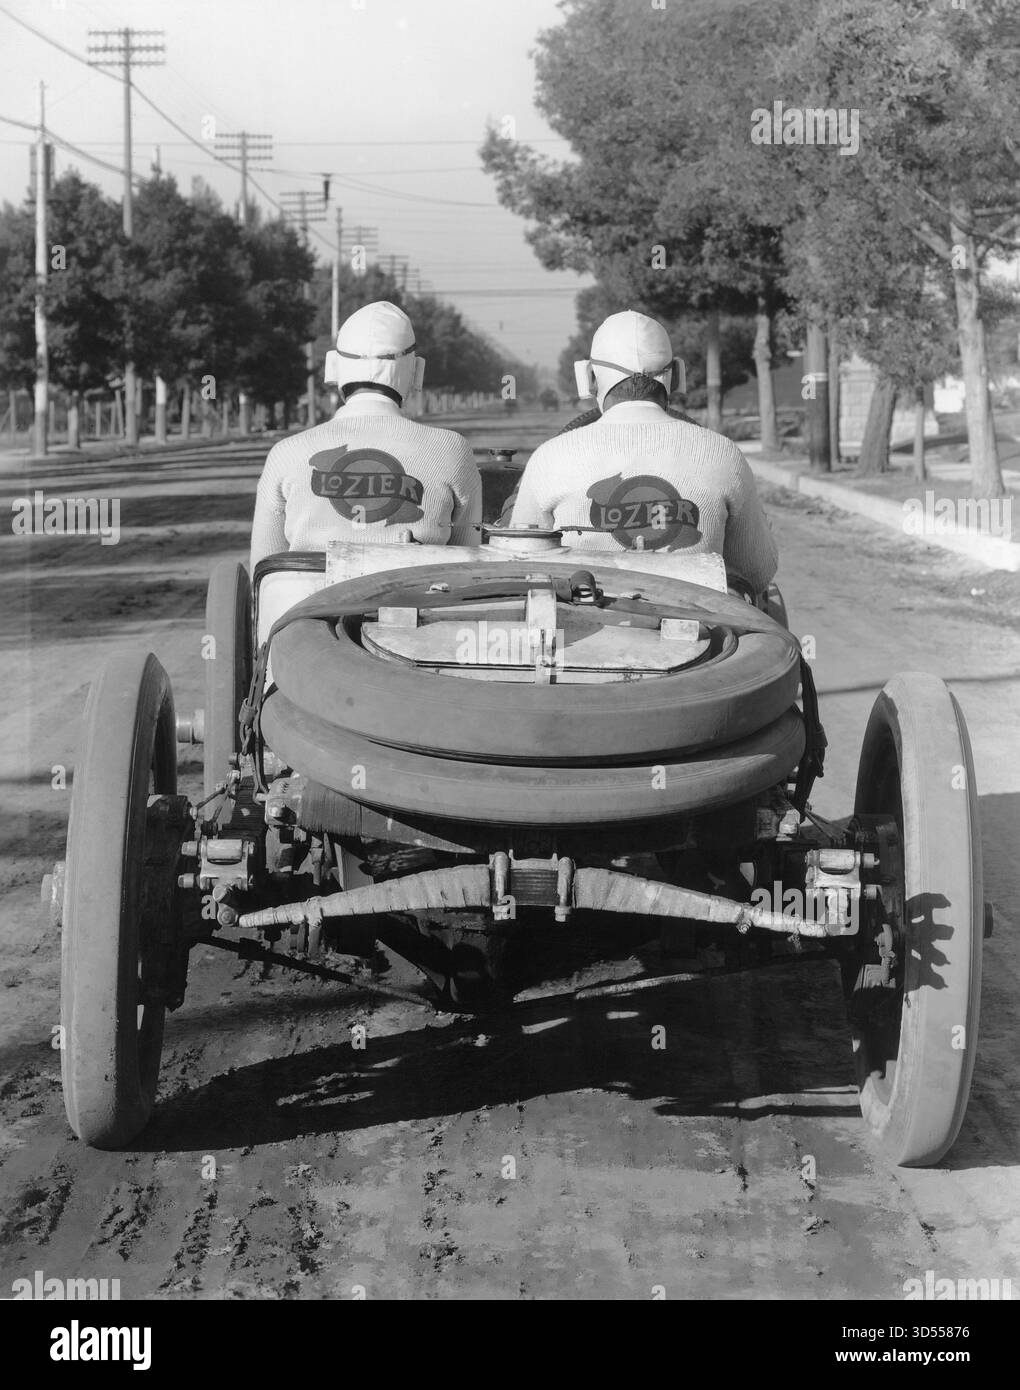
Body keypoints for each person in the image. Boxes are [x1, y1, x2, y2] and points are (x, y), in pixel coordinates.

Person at [508, 310, 778, 593]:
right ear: (675, 376)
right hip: (704, 631)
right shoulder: (723, 453)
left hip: (581, 631)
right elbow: (757, 572)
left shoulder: (550, 456)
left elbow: (523, 562)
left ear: (589, 377)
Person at [250, 301, 482, 570]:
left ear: (333, 368)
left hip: (304, 607)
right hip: (420, 603)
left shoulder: (286, 452)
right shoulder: (451, 448)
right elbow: (468, 559)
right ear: (416, 371)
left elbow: (265, 569)